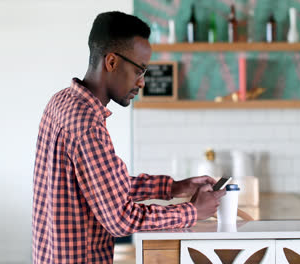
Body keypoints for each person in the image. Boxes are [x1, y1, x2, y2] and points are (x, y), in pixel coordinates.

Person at [32, 11, 226, 263]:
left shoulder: (61, 101)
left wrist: (173, 187)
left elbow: (103, 186)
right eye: (139, 71)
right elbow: (120, 219)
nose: (142, 82)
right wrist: (193, 211)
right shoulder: (86, 124)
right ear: (112, 62)